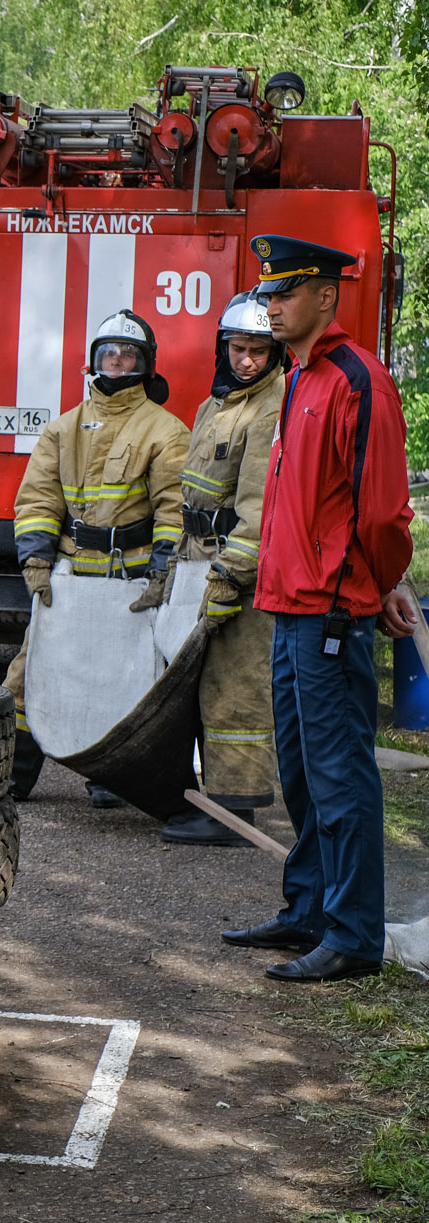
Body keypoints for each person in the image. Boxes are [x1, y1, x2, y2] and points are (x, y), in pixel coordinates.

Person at [221, 235, 413, 983]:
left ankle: (355, 935)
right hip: (288, 603)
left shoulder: (356, 379)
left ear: (327, 296)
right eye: (267, 294)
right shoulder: (299, 376)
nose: (271, 305)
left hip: (330, 612)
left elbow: (382, 514)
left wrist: (379, 583)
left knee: (340, 776)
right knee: (301, 772)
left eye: (286, 293)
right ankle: (308, 909)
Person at [7, 309, 189, 803]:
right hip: (68, 576)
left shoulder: (166, 431)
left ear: (145, 364)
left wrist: (161, 573)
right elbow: (38, 500)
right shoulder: (62, 429)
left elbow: (175, 511)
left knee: (126, 682)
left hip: (129, 581)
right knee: (28, 674)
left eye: (126, 354)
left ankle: (114, 781)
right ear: (94, 362)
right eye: (107, 353)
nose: (115, 361)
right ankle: (14, 776)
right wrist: (37, 562)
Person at [159, 290, 285, 845]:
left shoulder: (271, 407)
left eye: (260, 350)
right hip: (197, 556)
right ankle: (200, 793)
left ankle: (233, 811)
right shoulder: (217, 404)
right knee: (195, 682)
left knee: (236, 687)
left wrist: (233, 575)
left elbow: (261, 504)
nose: (247, 360)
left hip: (238, 569)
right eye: (238, 348)